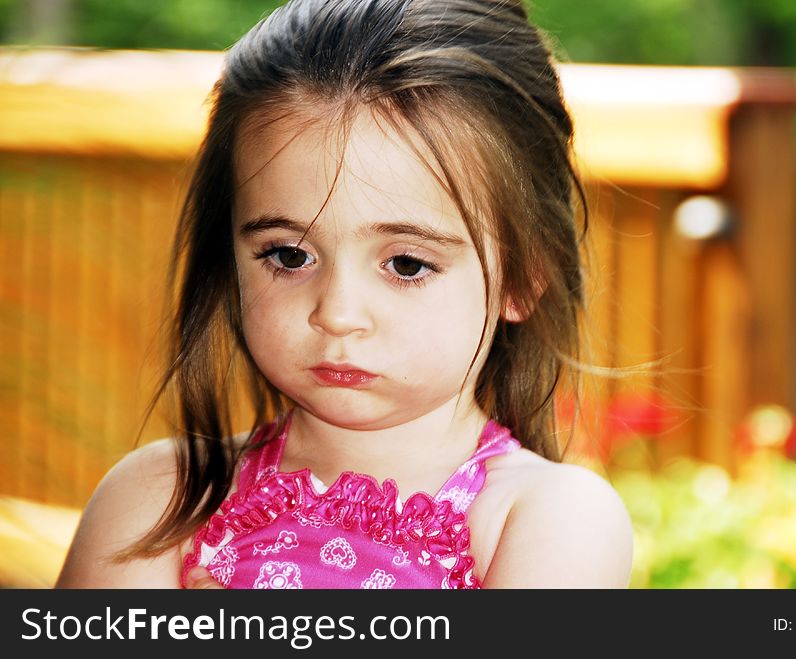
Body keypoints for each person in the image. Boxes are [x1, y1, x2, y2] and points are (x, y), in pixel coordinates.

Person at [55, 0, 633, 589]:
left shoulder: (548, 518)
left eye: (407, 263)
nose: (337, 314)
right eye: (289, 256)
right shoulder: (162, 500)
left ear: (521, 277)